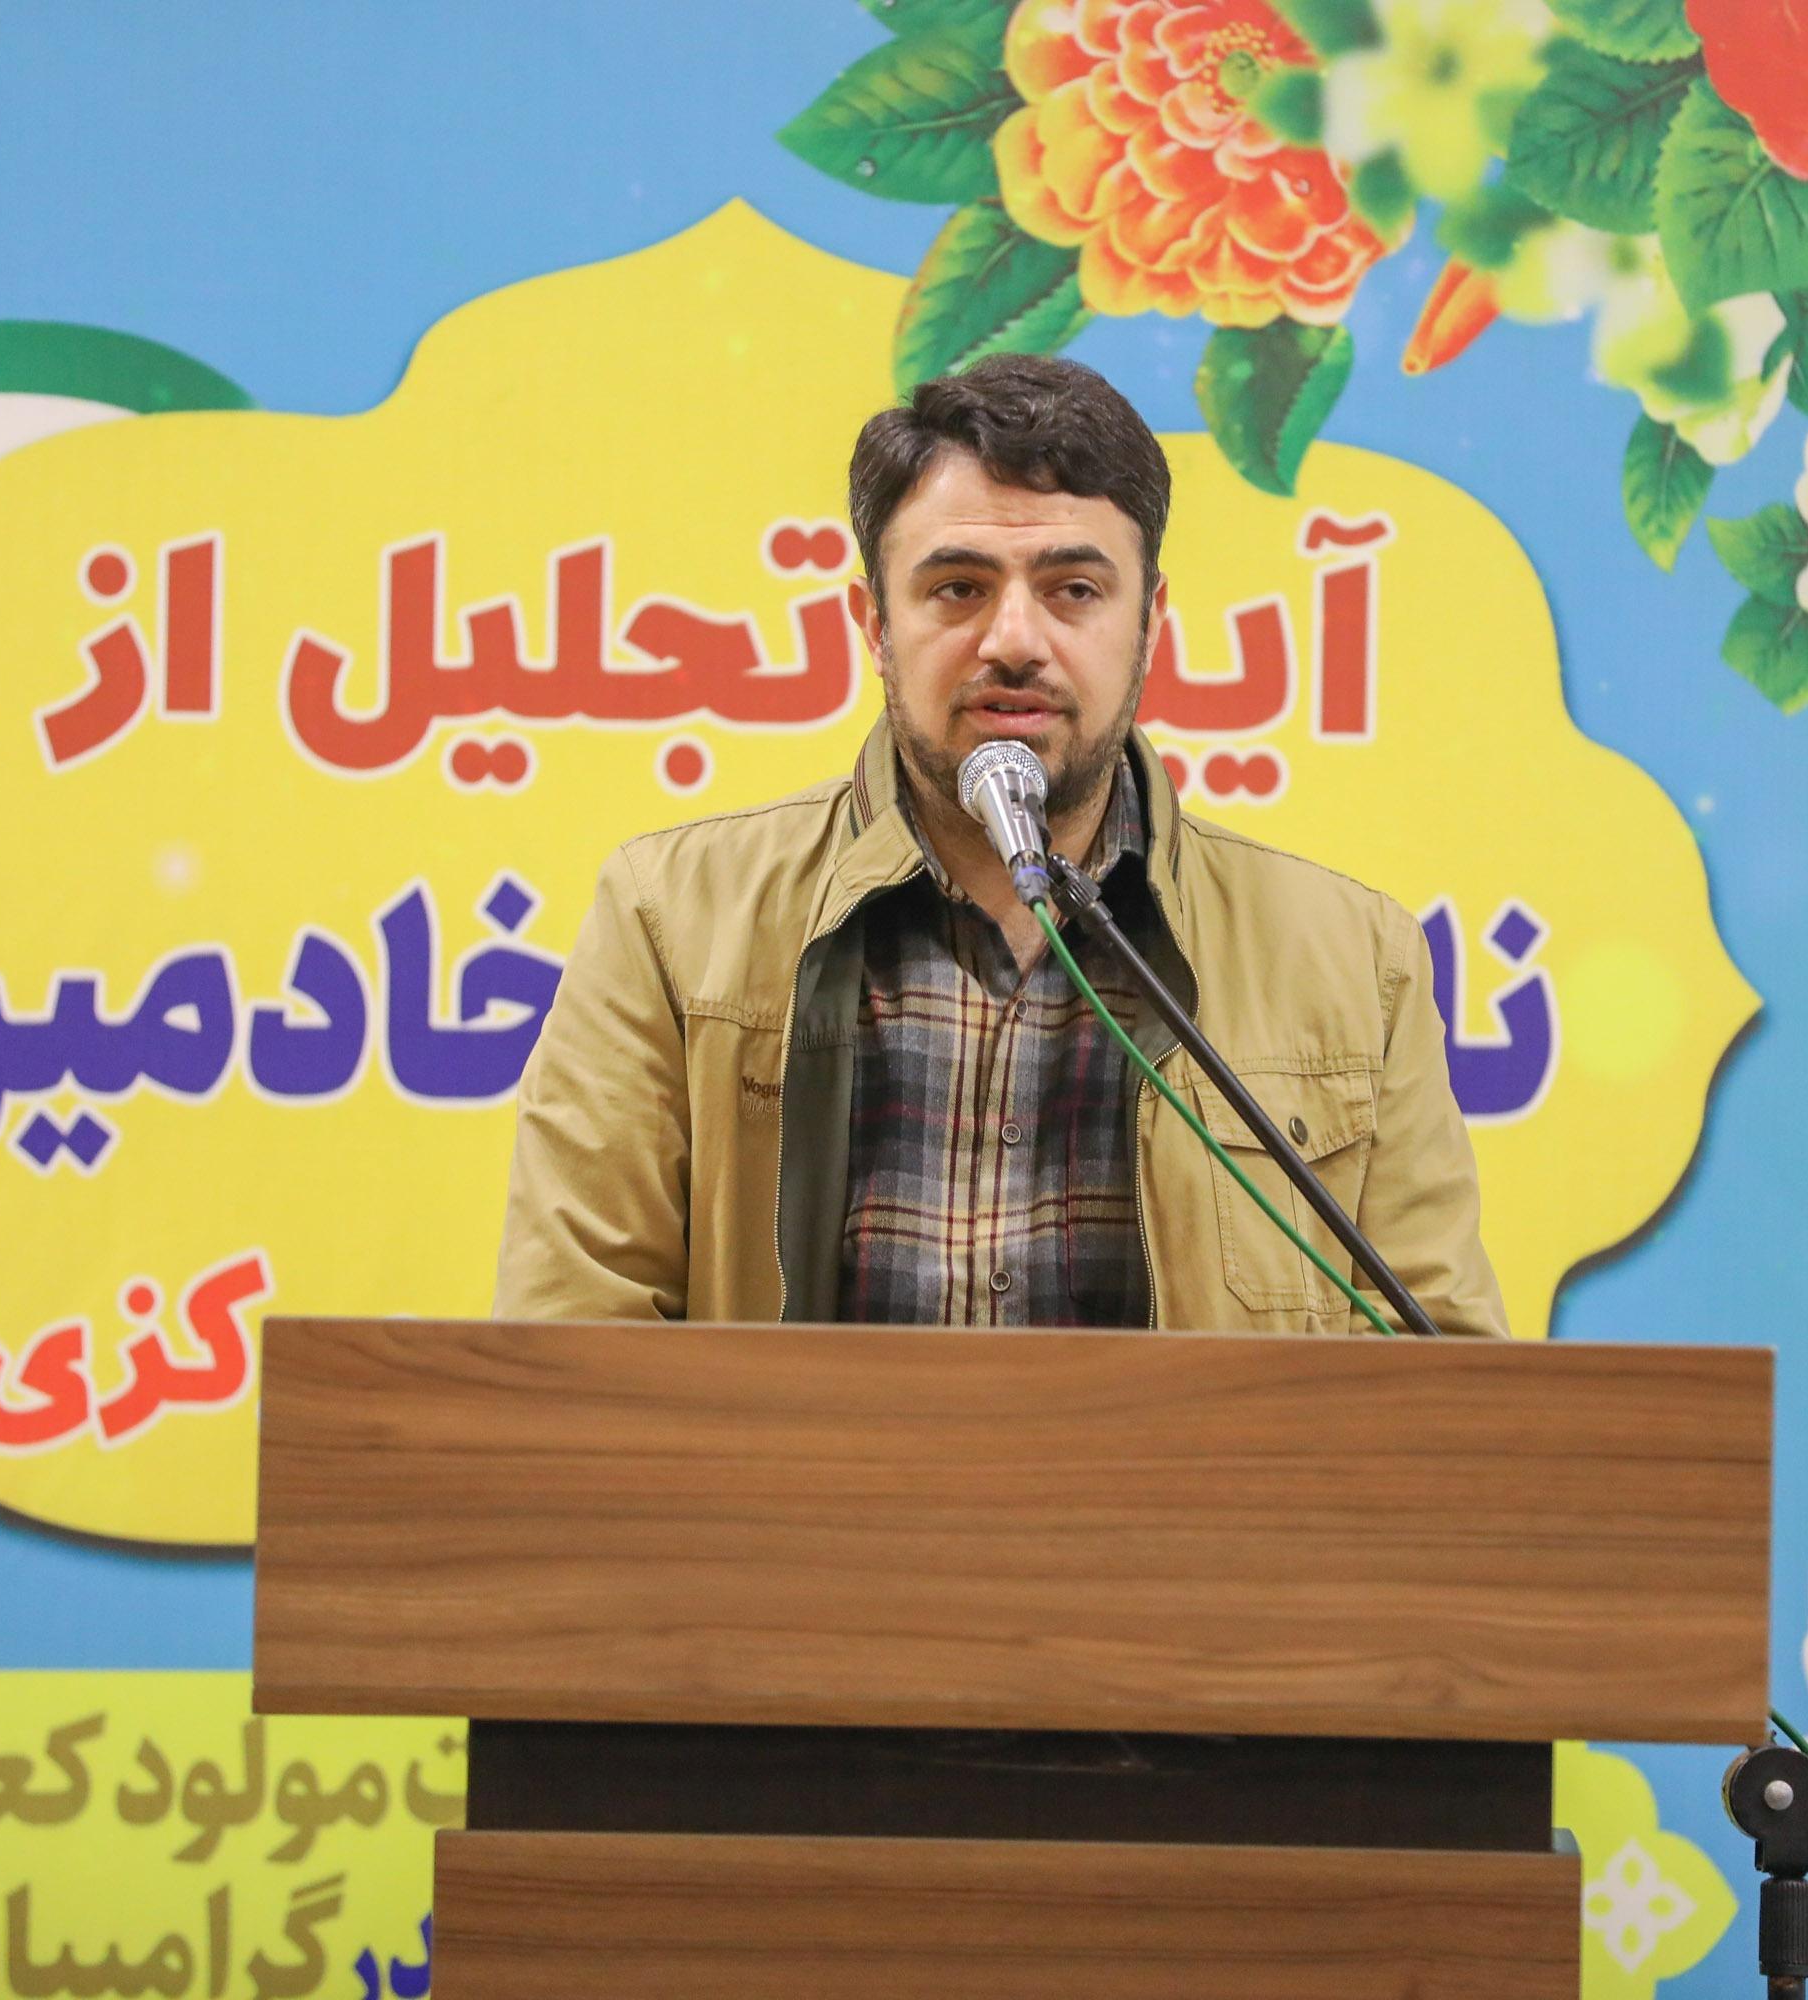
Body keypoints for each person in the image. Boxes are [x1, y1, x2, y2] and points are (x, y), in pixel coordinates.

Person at [493, 354, 1504, 1336]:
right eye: (958, 588)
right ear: (873, 624)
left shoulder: (1357, 962)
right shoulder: (671, 918)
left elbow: (1446, 1397)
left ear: (1150, 623)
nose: (1014, 640)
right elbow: (572, 1355)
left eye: (1074, 590)